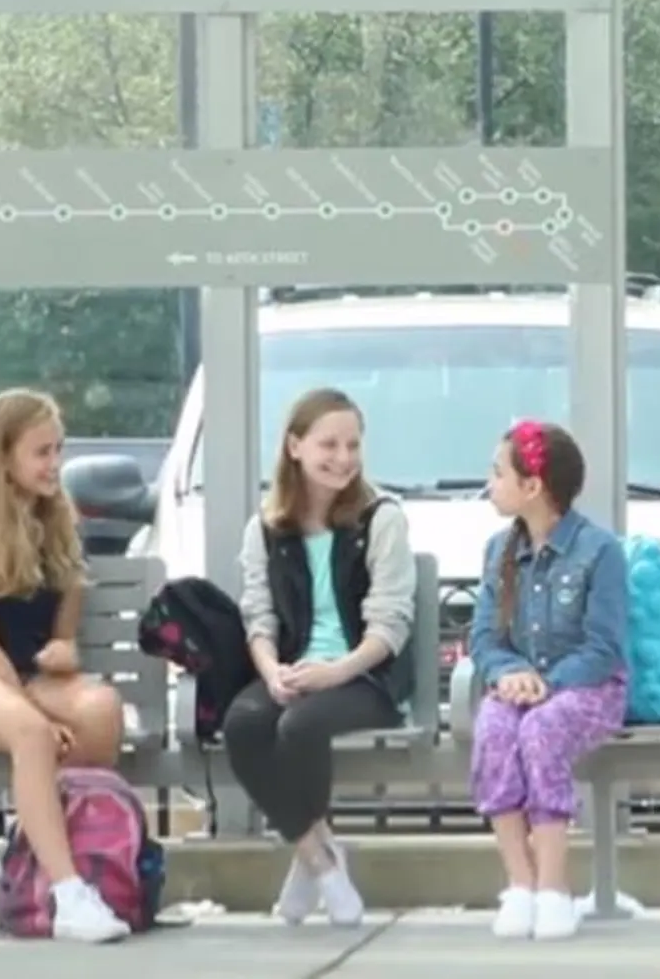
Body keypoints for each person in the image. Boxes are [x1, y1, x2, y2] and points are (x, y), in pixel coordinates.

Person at [0, 389, 131, 942]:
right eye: (41, 451)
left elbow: (66, 622)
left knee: (102, 710)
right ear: (3, 454)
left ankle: (27, 864)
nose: (54, 464)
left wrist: (65, 649)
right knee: (33, 734)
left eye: (58, 449)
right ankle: (68, 896)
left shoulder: (58, 520)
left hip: (28, 675)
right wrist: (34, 708)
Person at [221, 388, 416, 927]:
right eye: (328, 444)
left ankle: (315, 868)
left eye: (353, 444)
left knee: (300, 727)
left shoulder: (382, 519)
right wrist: (271, 671)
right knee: (244, 722)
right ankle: (322, 857)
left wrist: (337, 671)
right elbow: (257, 617)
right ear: (294, 447)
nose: (343, 457)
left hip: (363, 676)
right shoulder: (266, 527)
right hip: (295, 668)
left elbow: (390, 624)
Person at [467, 419, 628, 941]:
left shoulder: (599, 551)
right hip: (518, 689)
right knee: (494, 731)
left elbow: (604, 648)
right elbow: (485, 639)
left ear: (532, 486)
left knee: (540, 731)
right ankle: (522, 884)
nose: (489, 483)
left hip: (589, 690)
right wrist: (508, 673)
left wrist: (547, 684)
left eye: (497, 473)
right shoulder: (498, 551)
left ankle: (555, 888)